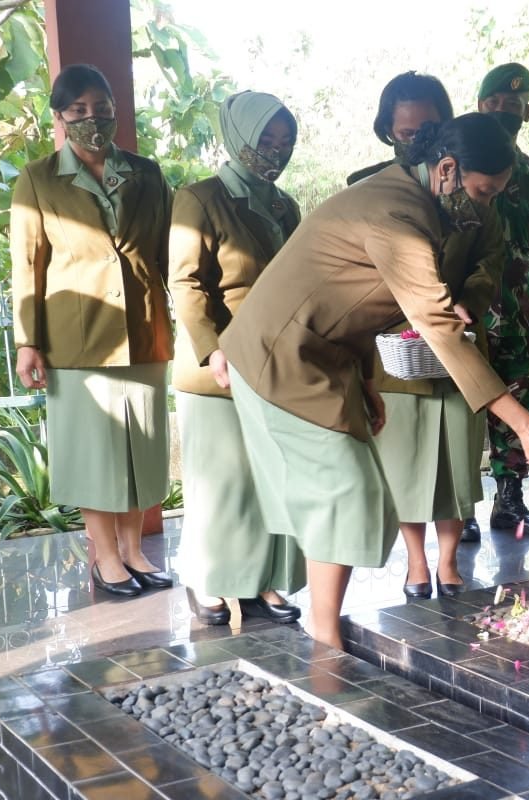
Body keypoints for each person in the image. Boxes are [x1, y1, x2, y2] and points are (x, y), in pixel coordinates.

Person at [219, 113, 529, 648]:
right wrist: (526, 427)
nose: (487, 204)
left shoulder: (421, 201)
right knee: (346, 489)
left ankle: (325, 629)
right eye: (483, 191)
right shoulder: (395, 214)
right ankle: (325, 634)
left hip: (323, 354)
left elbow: (352, 302)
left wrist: (365, 379)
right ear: (447, 169)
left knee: (347, 492)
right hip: (279, 357)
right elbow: (440, 330)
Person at [10, 64, 174, 597]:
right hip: (76, 338)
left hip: (143, 326)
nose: (92, 119)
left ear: (115, 111)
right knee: (94, 452)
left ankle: (132, 552)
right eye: (78, 110)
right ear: (58, 117)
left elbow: (172, 254)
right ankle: (104, 555)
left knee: (138, 449)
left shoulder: (147, 174)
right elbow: (27, 263)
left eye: (101, 108)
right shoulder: (37, 178)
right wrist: (27, 341)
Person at [349, 76, 502, 598]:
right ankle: (415, 562)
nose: (416, 138)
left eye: (427, 129)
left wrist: (471, 302)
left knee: (459, 461)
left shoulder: (475, 185)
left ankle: (449, 560)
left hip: (457, 337)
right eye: (405, 130)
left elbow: (491, 259)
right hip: (396, 348)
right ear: (387, 130)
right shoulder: (368, 186)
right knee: (407, 462)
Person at [169, 91, 307, 626]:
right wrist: (213, 351)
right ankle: (208, 580)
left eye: (285, 142)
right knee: (223, 484)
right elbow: (185, 282)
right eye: (265, 140)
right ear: (237, 136)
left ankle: (264, 583)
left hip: (275, 362)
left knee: (271, 476)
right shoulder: (199, 198)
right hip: (219, 366)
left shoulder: (285, 206)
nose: (275, 152)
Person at [473, 62, 529, 538]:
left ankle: (510, 499)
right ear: (480, 105)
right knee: (461, 408)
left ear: (528, 110)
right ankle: (459, 507)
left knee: (519, 399)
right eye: (494, 102)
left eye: (512, 104)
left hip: (518, 312)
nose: (502, 109)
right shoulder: (456, 161)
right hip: (469, 314)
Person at [347, 71, 455, 187]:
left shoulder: (466, 175)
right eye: (408, 133)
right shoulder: (366, 184)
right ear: (389, 131)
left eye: (430, 129)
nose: (420, 138)